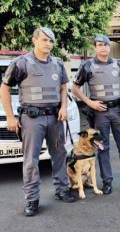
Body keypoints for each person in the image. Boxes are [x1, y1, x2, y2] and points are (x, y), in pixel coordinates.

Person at [0, 27, 76, 216]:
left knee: (59, 155)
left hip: (55, 118)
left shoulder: (58, 64)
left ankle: (62, 190)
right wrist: (10, 116)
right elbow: (5, 89)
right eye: (44, 40)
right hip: (32, 119)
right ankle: (32, 199)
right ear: (34, 41)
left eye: (51, 41)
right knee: (31, 161)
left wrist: (64, 107)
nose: (48, 44)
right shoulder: (21, 63)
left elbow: (63, 87)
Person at [72, 34, 120, 194]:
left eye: (106, 45)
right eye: (100, 45)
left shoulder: (119, 65)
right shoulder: (87, 66)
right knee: (103, 147)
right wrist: (89, 102)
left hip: (118, 110)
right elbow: (75, 89)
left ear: (109, 47)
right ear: (95, 48)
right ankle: (107, 181)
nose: (103, 48)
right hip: (99, 112)